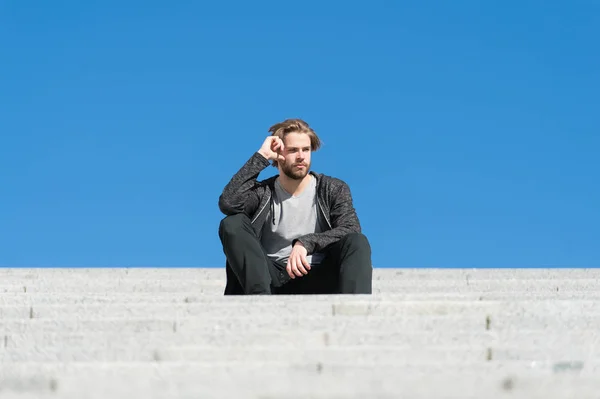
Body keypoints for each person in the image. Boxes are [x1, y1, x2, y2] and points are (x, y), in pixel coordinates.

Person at [217, 118, 372, 295]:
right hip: (270, 279)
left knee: (357, 241)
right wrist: (261, 157)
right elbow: (228, 203)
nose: (301, 156)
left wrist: (306, 243)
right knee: (232, 223)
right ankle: (259, 301)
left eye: (306, 150)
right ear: (278, 153)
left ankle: (354, 312)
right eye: (293, 150)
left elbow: (351, 228)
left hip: (321, 274)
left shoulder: (332, 188)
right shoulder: (263, 192)